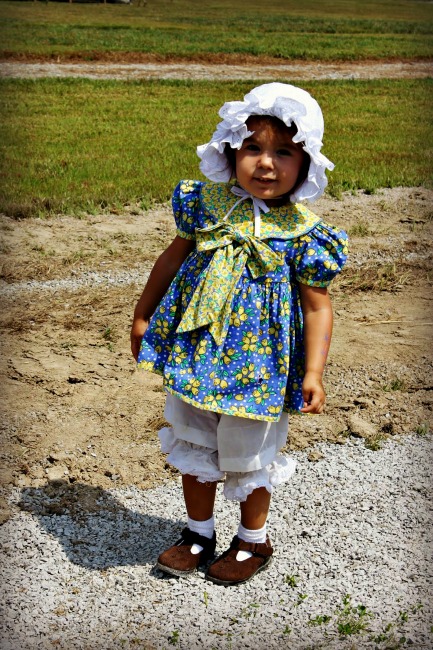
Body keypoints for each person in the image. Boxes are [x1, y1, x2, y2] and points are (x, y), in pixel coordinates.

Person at [131, 83, 348, 586]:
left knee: (250, 456)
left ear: (306, 163)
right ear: (231, 151)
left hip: (259, 369)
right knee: (194, 442)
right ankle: (198, 532)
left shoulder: (304, 231)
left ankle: (253, 541)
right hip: (197, 352)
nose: (266, 163)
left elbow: (318, 306)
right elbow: (171, 259)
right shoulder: (205, 205)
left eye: (283, 152)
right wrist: (143, 315)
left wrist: (314, 370)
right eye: (253, 148)